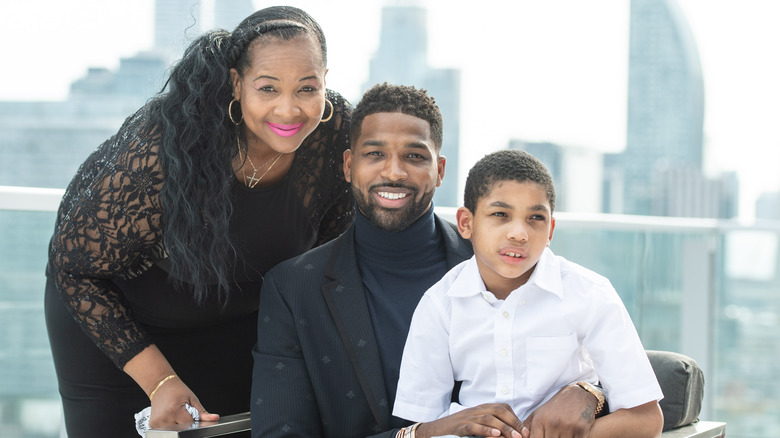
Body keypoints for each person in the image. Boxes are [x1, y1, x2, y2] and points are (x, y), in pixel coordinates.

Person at [44, 6, 354, 437]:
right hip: (121, 328)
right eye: (267, 88)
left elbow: (331, 255)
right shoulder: (166, 147)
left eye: (307, 88)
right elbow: (73, 268)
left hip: (238, 325)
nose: (289, 109)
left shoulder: (336, 134)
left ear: (325, 79)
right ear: (236, 84)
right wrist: (160, 380)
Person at [250, 83, 604, 438]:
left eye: (415, 156)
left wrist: (588, 392)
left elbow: (598, 367)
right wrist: (423, 434)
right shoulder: (293, 288)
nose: (394, 172)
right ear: (348, 165)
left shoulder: (506, 263)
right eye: (374, 154)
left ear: (440, 170)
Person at [393, 150, 665, 437]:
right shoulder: (439, 304)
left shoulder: (590, 294)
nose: (519, 233)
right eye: (500, 214)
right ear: (466, 223)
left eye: (535, 217)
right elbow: (416, 425)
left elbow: (646, 419)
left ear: (550, 231)